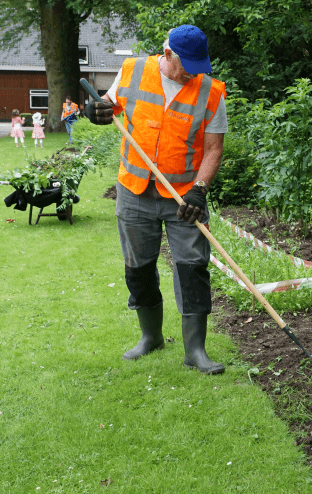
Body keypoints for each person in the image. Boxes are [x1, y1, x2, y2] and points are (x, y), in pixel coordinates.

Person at [84, 24, 228, 375]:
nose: (193, 74)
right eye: (186, 66)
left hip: (184, 198)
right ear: (167, 55)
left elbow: (213, 149)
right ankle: (151, 337)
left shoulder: (210, 91)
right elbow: (109, 107)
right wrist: (95, 112)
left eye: (198, 67)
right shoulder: (133, 70)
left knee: (192, 267)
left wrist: (200, 189)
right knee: (139, 267)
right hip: (134, 191)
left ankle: (195, 351)